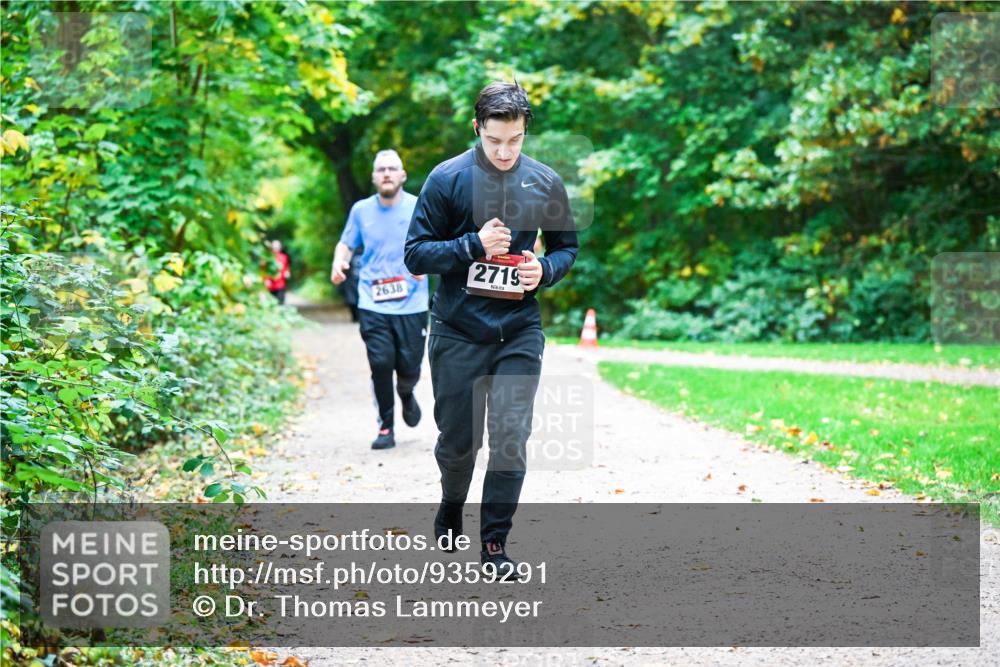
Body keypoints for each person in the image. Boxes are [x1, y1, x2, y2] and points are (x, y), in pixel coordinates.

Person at [404, 81, 578, 578]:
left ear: (526, 133)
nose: (505, 151)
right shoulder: (446, 179)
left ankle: (495, 545)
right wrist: (471, 246)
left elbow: (566, 247)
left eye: (515, 140)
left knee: (510, 437)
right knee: (460, 444)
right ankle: (450, 501)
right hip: (457, 330)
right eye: (495, 140)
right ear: (478, 128)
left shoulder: (545, 181)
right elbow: (415, 254)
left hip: (519, 329)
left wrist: (543, 270)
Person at [331, 149, 429, 450]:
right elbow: (346, 244)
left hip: (412, 303)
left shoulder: (418, 206)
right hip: (372, 301)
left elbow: (435, 243)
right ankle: (386, 427)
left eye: (392, 168)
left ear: (402, 175)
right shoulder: (361, 211)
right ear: (374, 177)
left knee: (410, 367)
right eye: (381, 169)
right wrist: (339, 262)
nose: (386, 173)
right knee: (381, 362)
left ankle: (407, 391)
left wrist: (427, 263)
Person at [263, 239, 291, 304]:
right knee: (270, 303)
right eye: (274, 248)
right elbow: (264, 270)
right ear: (271, 248)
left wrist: (287, 272)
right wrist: (266, 279)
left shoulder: (284, 257)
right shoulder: (267, 257)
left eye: (277, 248)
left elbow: (286, 268)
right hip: (270, 285)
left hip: (280, 284)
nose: (276, 249)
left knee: (280, 303)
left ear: (280, 248)